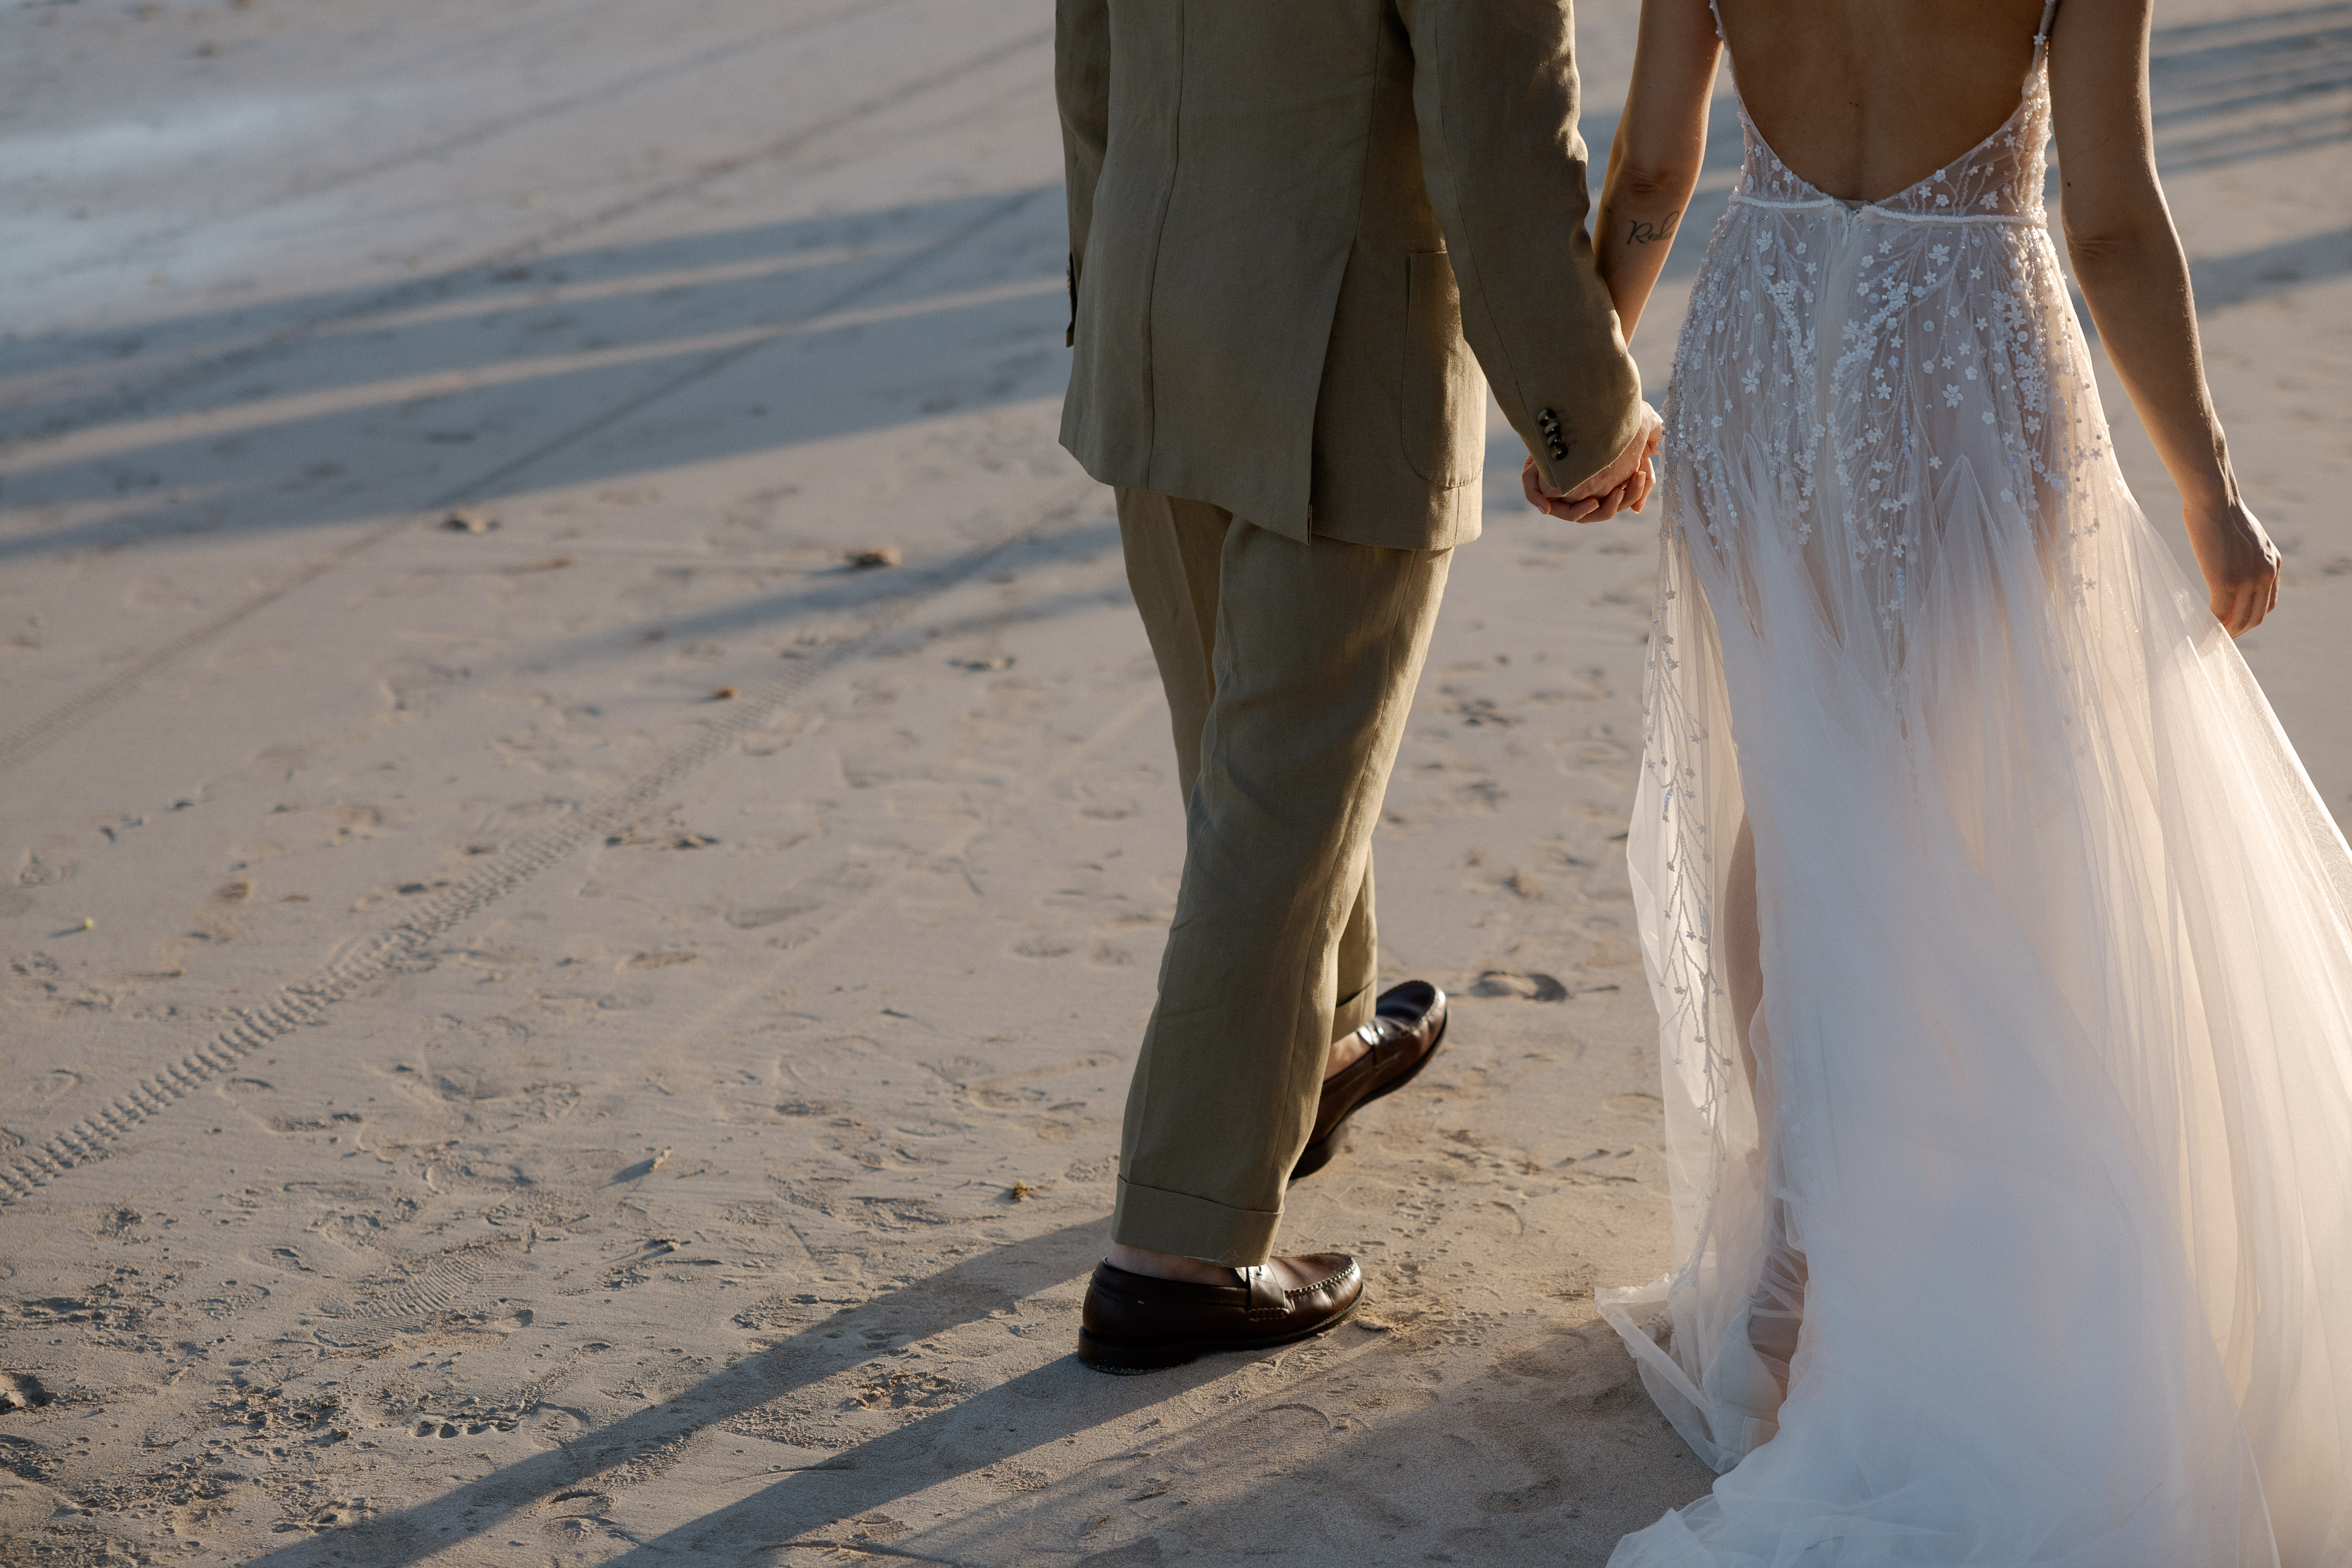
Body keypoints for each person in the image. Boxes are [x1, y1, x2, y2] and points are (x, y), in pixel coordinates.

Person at [1587, 0, 2352, 1558]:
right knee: (1945, 807)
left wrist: (1582, 396)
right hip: (1953, 365)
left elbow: (1655, 168)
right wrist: (2207, 483)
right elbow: (2114, 225)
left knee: (1803, 802)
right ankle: (1851, 1252)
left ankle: (1799, 1224)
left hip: (1762, 336)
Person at [1051, 0, 1663, 1370]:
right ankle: (1177, 1249)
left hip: (1153, 317)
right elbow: (1502, 139)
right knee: (1278, 794)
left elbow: (1089, 53)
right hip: (1345, 358)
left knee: (1240, 745)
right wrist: (1584, 414)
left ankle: (1317, 1052)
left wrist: (1108, 288)